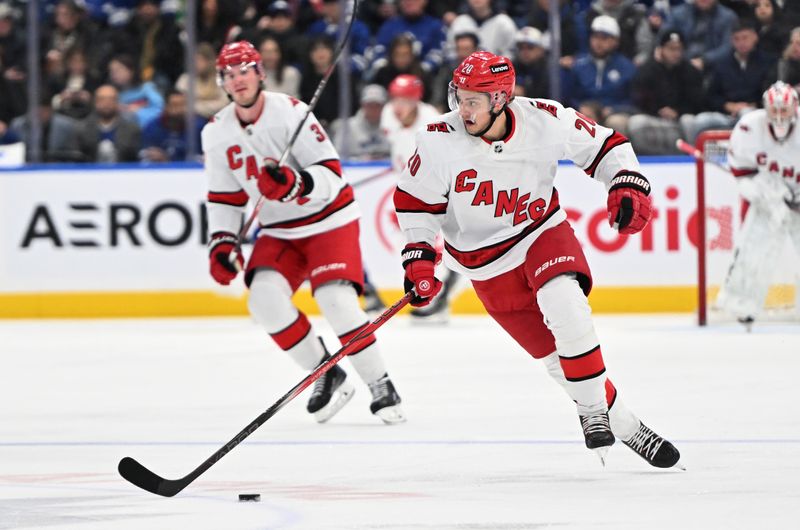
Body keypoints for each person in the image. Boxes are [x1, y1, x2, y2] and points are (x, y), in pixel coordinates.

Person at [394, 50, 681, 467]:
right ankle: (628, 426)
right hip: (484, 265)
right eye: (459, 95)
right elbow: (415, 204)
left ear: (500, 100)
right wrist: (418, 259)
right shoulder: (438, 139)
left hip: (541, 233)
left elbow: (606, 144)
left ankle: (590, 411)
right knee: (556, 360)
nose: (463, 108)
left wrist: (626, 179)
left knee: (565, 302)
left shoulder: (544, 119)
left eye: (474, 99)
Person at [203, 41, 405, 425]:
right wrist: (222, 243)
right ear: (223, 83)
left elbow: (331, 173)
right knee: (262, 299)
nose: (238, 79)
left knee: (336, 300)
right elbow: (225, 198)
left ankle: (381, 385)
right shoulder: (215, 133)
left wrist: (296, 183)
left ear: (260, 73)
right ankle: (327, 373)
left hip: (329, 219)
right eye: (229, 74)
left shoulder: (292, 113)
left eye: (244, 69)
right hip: (279, 230)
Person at [716, 81, 800, 328]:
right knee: (754, 246)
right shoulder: (749, 128)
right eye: (774, 111)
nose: (779, 116)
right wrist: (762, 193)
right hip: (770, 197)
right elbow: (742, 174)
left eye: (784, 110)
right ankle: (741, 304)